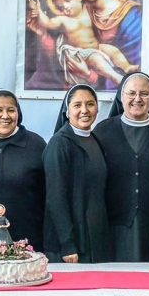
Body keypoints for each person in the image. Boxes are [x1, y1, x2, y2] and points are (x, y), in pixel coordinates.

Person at [93, 72, 149, 262]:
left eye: (144, 93)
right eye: (131, 93)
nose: (137, 99)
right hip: (114, 224)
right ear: (121, 96)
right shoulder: (103, 131)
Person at [0, 89, 47, 252]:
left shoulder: (36, 145)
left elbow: (47, 194)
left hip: (27, 238)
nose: (5, 116)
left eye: (11, 110)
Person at [42, 84, 111, 263]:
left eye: (90, 104)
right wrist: (67, 244)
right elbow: (55, 198)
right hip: (72, 246)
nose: (84, 110)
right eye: (77, 105)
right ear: (67, 111)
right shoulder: (59, 145)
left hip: (95, 238)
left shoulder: (94, 140)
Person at [28, 0, 138, 87]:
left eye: (68, 1)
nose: (65, 6)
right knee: (96, 59)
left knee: (113, 50)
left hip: (96, 47)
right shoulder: (63, 19)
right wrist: (38, 10)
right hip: (81, 53)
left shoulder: (87, 10)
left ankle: (127, 67)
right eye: (61, 6)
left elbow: (102, 3)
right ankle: (116, 78)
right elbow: (47, 23)